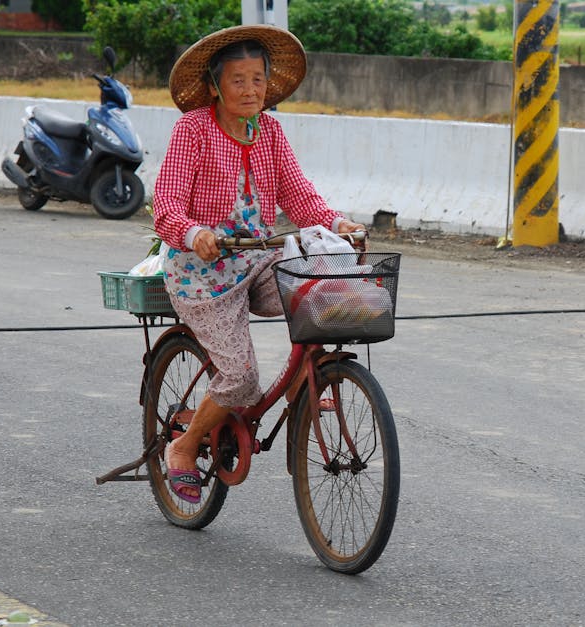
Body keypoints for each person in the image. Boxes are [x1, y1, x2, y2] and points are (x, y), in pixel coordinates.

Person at [153, 25, 364, 504]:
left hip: (257, 259)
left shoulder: (270, 130)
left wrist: (336, 222)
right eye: (238, 80)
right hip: (202, 274)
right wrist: (194, 233)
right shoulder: (193, 130)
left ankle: (299, 389)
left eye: (258, 80)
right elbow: (165, 205)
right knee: (241, 380)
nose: (250, 90)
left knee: (320, 290)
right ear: (214, 86)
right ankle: (183, 450)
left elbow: (298, 195)